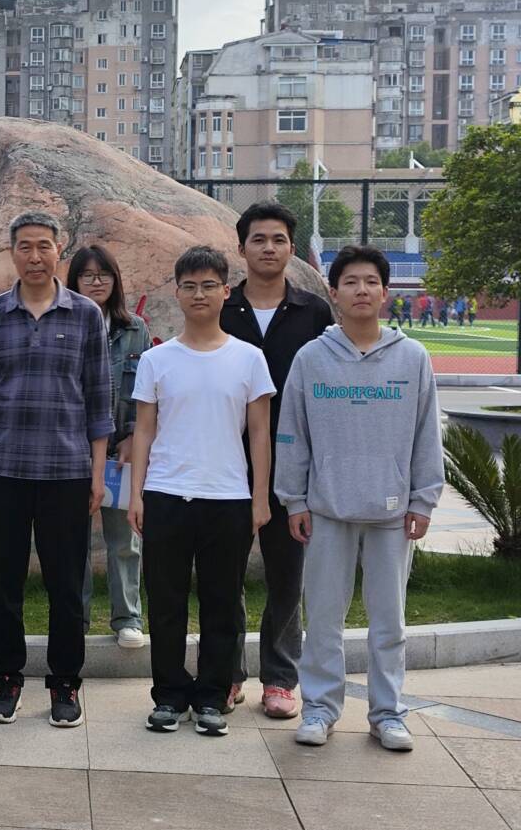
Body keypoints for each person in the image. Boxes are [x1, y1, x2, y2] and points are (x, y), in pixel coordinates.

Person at [279, 246, 444, 753]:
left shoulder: (412, 358)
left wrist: (423, 500)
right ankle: (320, 709)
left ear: (385, 292)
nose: (362, 290)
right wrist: (294, 500)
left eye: (371, 281)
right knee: (323, 618)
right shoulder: (311, 358)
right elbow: (292, 434)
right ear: (334, 292)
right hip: (327, 510)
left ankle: (387, 713)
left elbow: (426, 434)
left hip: (392, 513)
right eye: (351, 282)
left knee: (389, 622)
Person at [0, 213, 113, 728]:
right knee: (4, 584)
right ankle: (6, 679)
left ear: (58, 251)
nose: (34, 256)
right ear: (12, 252)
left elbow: (99, 401)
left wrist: (96, 475)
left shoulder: (85, 315)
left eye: (43, 246)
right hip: (2, 472)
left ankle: (65, 683)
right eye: (24, 246)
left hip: (66, 473)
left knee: (66, 586)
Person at [130, 245, 274, 738]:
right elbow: (144, 430)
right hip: (166, 494)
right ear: (177, 292)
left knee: (222, 603)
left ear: (225, 291)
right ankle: (169, 695)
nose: (199, 294)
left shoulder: (249, 359)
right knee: (165, 603)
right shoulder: (157, 359)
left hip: (228, 498)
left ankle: (212, 696)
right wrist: (136, 494)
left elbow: (259, 433)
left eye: (209, 285)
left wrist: (259, 498)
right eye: (189, 286)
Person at [219, 202, 333, 719]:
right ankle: (226, 673)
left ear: (291, 248)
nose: (269, 248)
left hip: (294, 462)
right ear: (241, 247)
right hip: (225, 459)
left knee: (287, 575)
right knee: (224, 573)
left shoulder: (313, 312)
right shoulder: (222, 308)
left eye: (279, 239)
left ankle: (281, 678)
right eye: (259, 239)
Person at [67, 244, 150, 649]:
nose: (96, 281)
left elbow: (145, 391)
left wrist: (133, 435)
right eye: (87, 275)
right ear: (74, 281)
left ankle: (127, 619)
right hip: (72, 451)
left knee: (125, 540)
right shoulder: (66, 325)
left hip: (121, 451)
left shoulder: (135, 329)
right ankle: (75, 620)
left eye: (104, 274)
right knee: (72, 542)